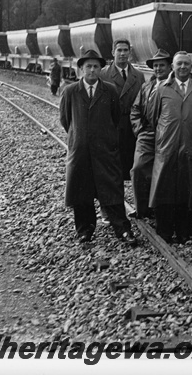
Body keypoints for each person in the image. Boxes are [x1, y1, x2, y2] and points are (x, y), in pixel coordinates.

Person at [60, 49, 137, 246]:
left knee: (111, 190)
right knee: (81, 193)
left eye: (95, 66)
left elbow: (116, 116)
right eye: (88, 67)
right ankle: (84, 231)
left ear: (100, 69)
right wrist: (81, 137)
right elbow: (66, 120)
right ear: (81, 69)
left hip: (105, 150)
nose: (92, 70)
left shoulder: (110, 90)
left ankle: (122, 229)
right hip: (80, 152)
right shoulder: (70, 92)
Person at [150, 51, 192, 244]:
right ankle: (165, 231)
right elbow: (153, 117)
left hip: (190, 148)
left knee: (188, 189)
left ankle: (185, 231)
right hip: (167, 148)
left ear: (191, 67)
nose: (183, 67)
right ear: (173, 67)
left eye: (186, 64)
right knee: (165, 188)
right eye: (179, 64)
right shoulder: (161, 88)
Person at [128, 48, 172, 219]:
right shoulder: (147, 86)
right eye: (155, 66)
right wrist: (140, 130)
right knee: (139, 169)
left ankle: (160, 210)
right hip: (147, 134)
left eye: (162, 65)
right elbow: (135, 109)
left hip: (168, 136)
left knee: (164, 173)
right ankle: (142, 209)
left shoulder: (174, 86)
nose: (158, 69)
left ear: (170, 67)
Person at [101, 39, 143, 181]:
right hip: (112, 128)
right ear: (113, 52)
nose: (123, 54)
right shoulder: (103, 75)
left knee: (131, 169)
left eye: (126, 50)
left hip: (132, 129)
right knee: (112, 170)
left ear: (130, 53)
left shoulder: (139, 75)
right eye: (119, 50)